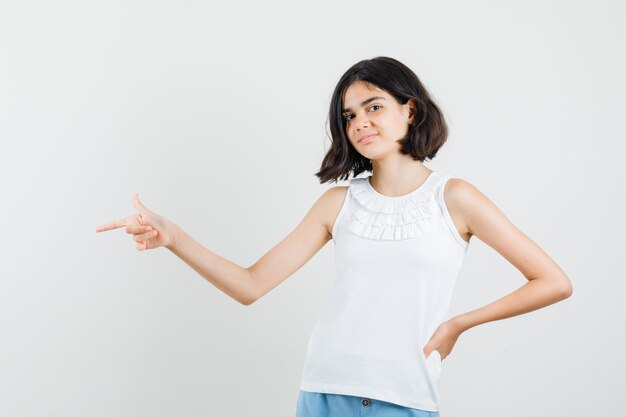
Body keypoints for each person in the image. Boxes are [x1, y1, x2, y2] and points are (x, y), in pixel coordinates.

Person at [96, 56, 573, 417]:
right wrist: (175, 237)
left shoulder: (455, 198)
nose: (360, 122)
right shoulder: (338, 203)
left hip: (404, 395)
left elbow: (552, 281)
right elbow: (250, 285)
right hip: (324, 391)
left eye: (374, 106)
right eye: (349, 115)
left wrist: (457, 325)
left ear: (411, 111)